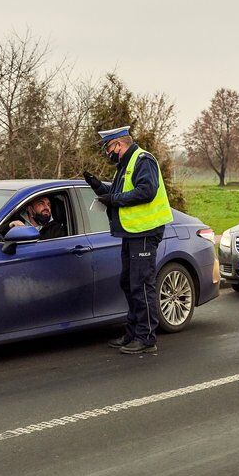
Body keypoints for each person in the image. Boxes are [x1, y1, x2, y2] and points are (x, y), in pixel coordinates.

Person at [83, 125, 173, 354]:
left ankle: (146, 338)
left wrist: (114, 199)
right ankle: (133, 333)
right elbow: (118, 193)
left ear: (119, 144)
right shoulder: (125, 166)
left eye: (108, 148)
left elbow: (146, 191)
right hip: (131, 232)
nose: (108, 153)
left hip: (144, 232)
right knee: (129, 282)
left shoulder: (143, 160)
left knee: (141, 284)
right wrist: (96, 186)